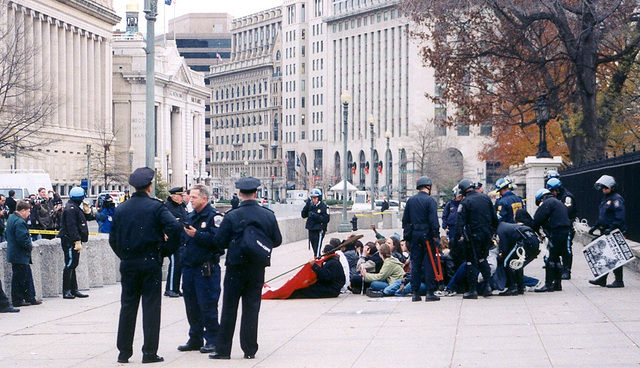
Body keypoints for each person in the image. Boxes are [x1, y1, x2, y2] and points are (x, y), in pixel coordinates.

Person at [109, 167, 182, 364]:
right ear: (150, 187)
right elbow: (175, 228)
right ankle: (149, 352)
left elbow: (112, 239)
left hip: (129, 263)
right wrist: (165, 251)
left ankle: (124, 352)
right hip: (150, 261)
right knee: (151, 307)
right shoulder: (156, 207)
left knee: (128, 306)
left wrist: (124, 255)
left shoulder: (121, 209)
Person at [209, 177, 282, 360]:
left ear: (240, 194)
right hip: (257, 267)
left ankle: (223, 349)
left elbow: (220, 241)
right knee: (251, 308)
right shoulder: (268, 215)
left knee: (229, 307)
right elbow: (277, 240)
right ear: (256, 193)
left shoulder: (232, 215)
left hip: (235, 266)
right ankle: (249, 349)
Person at [177, 184, 224, 354]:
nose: (190, 199)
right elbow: (183, 240)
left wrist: (197, 234)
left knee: (208, 304)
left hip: (206, 268)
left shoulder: (214, 217)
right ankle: (195, 337)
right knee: (191, 305)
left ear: (204, 198)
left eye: (194, 197)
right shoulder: (190, 216)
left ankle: (212, 339)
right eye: (190, 196)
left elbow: (218, 241)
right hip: (189, 267)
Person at [454, 179, 499, 299]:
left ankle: (472, 290)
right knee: (483, 259)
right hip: (486, 235)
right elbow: (495, 218)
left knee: (471, 262)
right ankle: (487, 286)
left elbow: (460, 223)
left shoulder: (465, 202)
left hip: (473, 236)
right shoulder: (485, 198)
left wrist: (456, 239)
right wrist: (492, 232)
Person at [402, 176, 441, 302]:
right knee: (429, 263)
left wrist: (407, 237)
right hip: (427, 235)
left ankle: (415, 292)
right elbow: (433, 221)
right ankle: (430, 292)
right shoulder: (430, 201)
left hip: (414, 235)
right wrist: (436, 236)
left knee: (416, 264)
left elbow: (405, 221)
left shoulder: (410, 201)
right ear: (428, 187)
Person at [588, 175, 627, 288]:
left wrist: (611, 228)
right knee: (605, 255)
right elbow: (603, 216)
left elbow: (620, 217)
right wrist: (595, 227)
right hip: (605, 230)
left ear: (612, 187)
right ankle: (602, 279)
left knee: (615, 256)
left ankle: (619, 280)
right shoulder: (606, 198)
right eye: (602, 188)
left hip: (613, 231)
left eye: (605, 188)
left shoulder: (616, 199)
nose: (603, 190)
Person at [532, 188, 571, 293]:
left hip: (555, 232)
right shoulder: (558, 202)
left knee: (550, 258)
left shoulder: (547, 203)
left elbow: (537, 219)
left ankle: (549, 284)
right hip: (565, 231)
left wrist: (538, 232)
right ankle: (557, 284)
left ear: (541, 198)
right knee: (557, 257)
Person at [6, 200, 42, 307]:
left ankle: (30, 297)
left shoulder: (11, 218)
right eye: (28, 211)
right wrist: (29, 246)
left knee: (25, 276)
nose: (29, 214)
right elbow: (22, 239)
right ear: (22, 211)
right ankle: (18, 299)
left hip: (15, 253)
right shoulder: (20, 222)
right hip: (19, 254)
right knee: (19, 278)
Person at [496, 210, 540, 296]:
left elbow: (505, 247)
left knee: (507, 262)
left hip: (524, 241)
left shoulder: (500, 229)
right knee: (517, 264)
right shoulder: (506, 226)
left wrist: (501, 256)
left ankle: (512, 288)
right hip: (532, 240)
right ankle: (520, 287)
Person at [58, 187, 89, 300]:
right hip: (70, 240)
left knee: (73, 264)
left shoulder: (74, 207)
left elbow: (82, 221)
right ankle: (67, 290)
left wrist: (87, 211)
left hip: (73, 240)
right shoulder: (71, 209)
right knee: (70, 264)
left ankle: (73, 289)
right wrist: (76, 240)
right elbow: (71, 226)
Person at [546, 178, 577, 280]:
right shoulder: (556, 197)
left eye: (552, 191)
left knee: (566, 248)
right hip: (557, 227)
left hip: (566, 226)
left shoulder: (567, 197)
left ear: (557, 189)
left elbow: (567, 211)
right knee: (557, 248)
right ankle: (559, 268)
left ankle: (567, 270)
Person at [164, 186, 188, 298]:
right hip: (172, 240)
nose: (182, 198)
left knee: (179, 264)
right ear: (173, 196)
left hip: (181, 239)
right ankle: (170, 289)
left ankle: (176, 288)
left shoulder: (182, 206)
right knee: (174, 264)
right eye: (180, 196)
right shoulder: (167, 207)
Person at [301, 188, 330, 257]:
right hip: (311, 229)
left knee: (317, 246)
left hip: (319, 229)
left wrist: (315, 216)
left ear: (319, 198)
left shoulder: (323, 207)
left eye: (315, 198)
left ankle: (317, 258)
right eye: (312, 198)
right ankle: (316, 257)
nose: (314, 200)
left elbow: (326, 219)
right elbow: (303, 215)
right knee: (313, 245)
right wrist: (306, 205)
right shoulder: (310, 206)